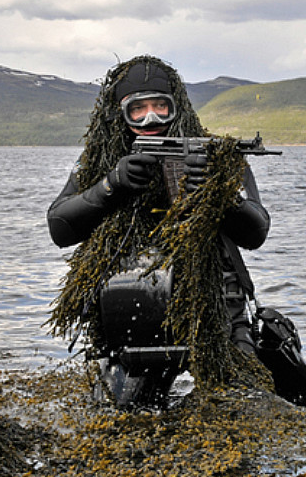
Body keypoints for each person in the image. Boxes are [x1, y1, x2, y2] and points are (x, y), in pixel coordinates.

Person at [46, 55, 271, 406]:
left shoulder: (213, 155)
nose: (150, 119)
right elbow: (60, 227)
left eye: (160, 107)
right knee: (118, 419)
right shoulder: (101, 161)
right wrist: (111, 185)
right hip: (128, 307)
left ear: (176, 108)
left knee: (242, 406)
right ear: (120, 112)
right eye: (139, 110)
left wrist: (218, 196)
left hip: (216, 306)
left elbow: (256, 231)